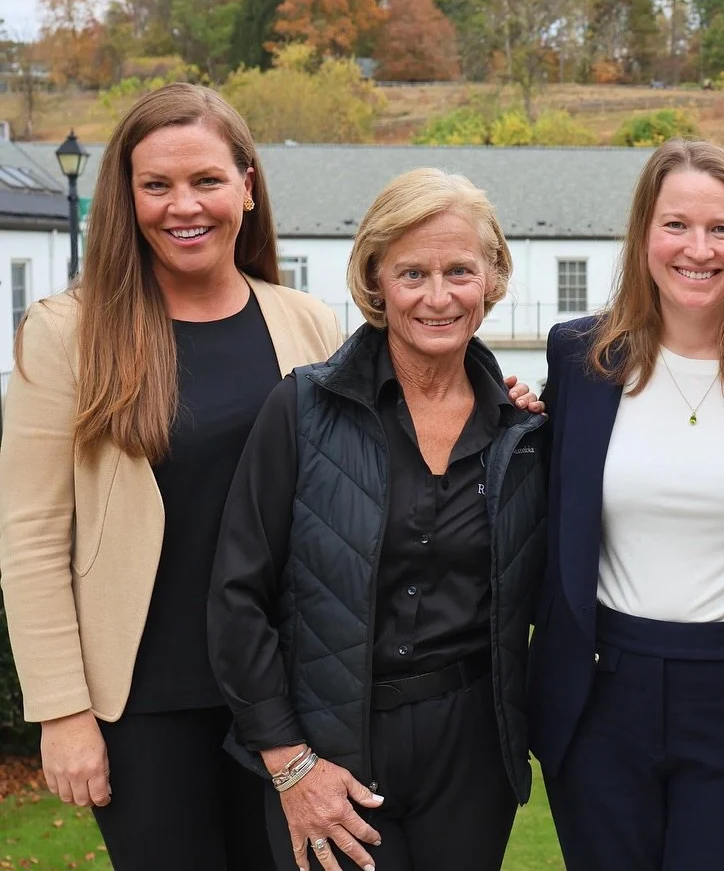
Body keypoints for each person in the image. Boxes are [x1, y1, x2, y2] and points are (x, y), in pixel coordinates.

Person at [0, 83, 342, 868]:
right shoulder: (67, 334)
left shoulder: (306, 322)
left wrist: (496, 401)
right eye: (156, 185)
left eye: (206, 181)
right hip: (142, 709)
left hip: (286, 698)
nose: (182, 205)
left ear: (247, 188)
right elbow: (31, 537)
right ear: (128, 197)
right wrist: (61, 713)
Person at [208, 168, 547, 871]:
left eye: (460, 270)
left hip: (472, 754)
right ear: (375, 281)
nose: (438, 296)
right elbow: (237, 600)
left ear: (491, 278)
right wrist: (291, 764)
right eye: (412, 273)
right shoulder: (300, 410)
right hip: (330, 748)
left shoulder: (524, 435)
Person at [528, 138, 724, 871]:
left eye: (721, 229)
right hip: (601, 694)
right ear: (644, 235)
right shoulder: (581, 360)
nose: (697, 249)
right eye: (676, 225)